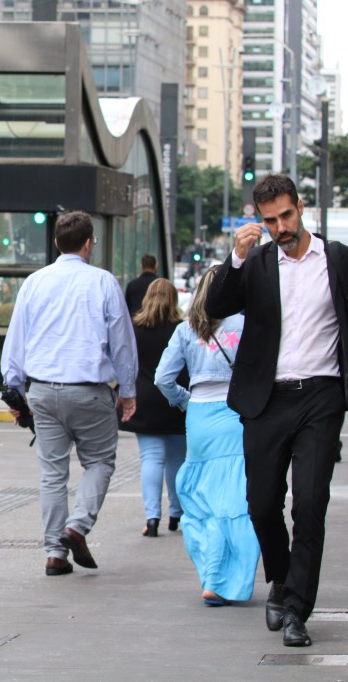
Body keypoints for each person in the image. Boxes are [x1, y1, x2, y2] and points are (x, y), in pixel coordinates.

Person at [205, 173, 348, 648]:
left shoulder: (337, 259)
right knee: (262, 504)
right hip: (265, 399)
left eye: (286, 216)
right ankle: (281, 580)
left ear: (300, 207)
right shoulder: (258, 261)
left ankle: (296, 610)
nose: (281, 227)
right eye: (270, 220)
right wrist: (237, 257)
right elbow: (218, 305)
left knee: (309, 504)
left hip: (321, 397)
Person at [0, 210, 137, 576]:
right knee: (100, 462)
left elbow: (16, 340)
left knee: (52, 474)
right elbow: (122, 343)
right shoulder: (104, 283)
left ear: (57, 242)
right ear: (89, 243)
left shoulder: (34, 283)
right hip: (90, 392)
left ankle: (55, 554)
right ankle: (77, 526)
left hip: (43, 392)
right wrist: (128, 389)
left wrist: (14, 392)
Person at [156, 265, 259, 608]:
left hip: (198, 417)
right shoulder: (246, 325)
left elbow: (162, 378)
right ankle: (224, 578)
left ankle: (211, 575)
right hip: (235, 415)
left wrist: (185, 401)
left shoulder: (187, 329)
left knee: (201, 501)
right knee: (234, 501)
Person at [120, 278, 186, 538]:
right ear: (174, 299)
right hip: (175, 400)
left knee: (151, 458)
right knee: (177, 460)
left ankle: (152, 517)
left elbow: (127, 365)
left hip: (144, 400)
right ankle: (176, 514)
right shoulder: (181, 329)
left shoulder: (135, 330)